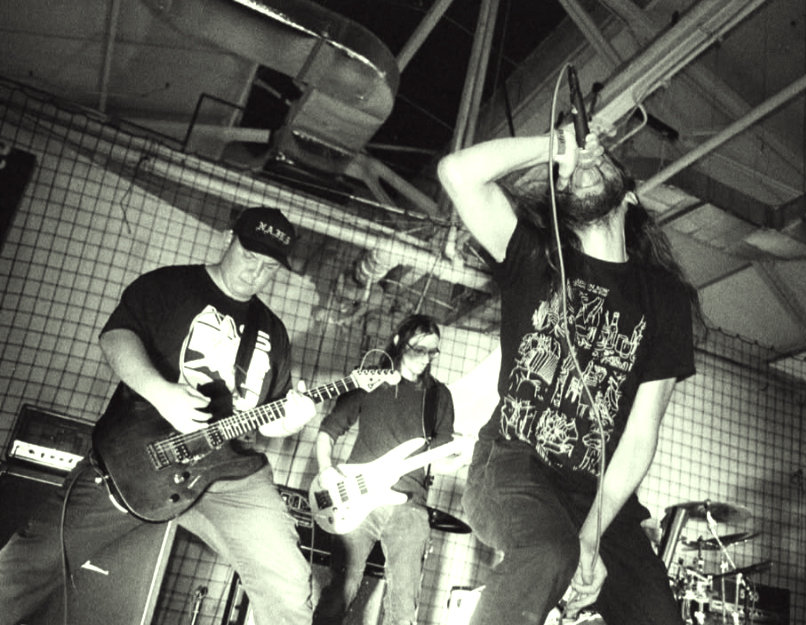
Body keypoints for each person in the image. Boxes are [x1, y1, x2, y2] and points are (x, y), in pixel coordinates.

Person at [0, 206, 319, 625]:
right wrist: (161, 393)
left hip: (231, 473)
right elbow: (116, 337)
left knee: (289, 583)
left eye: (269, 267)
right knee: (30, 563)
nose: (255, 272)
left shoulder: (273, 331)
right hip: (142, 459)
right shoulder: (170, 285)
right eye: (249, 256)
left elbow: (268, 415)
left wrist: (292, 420)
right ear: (228, 239)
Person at [437, 127, 703, 625]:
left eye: (599, 160)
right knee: (550, 552)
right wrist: (556, 147)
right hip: (512, 463)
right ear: (560, 200)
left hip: (601, 497)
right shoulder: (534, 256)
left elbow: (640, 435)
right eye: (573, 169)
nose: (585, 164)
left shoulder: (664, 299)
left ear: (630, 196)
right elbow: (456, 173)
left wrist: (592, 536)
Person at [314, 314, 456, 625]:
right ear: (399, 342)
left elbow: (438, 459)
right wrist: (326, 470)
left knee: (404, 608)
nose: (426, 359)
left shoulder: (439, 396)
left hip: (409, 505)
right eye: (419, 349)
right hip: (357, 496)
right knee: (341, 590)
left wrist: (462, 459)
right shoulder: (370, 381)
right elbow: (328, 432)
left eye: (432, 352)